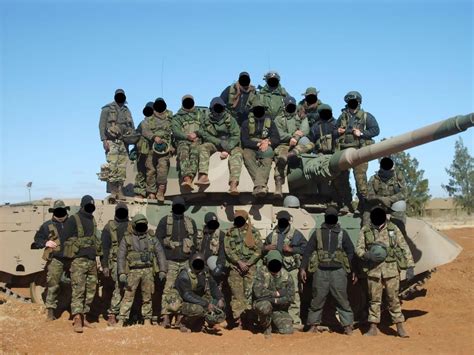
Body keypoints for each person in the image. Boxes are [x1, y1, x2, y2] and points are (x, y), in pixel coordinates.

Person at [355, 207, 415, 338]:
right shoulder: (366, 230)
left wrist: (410, 266)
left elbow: (404, 246)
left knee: (393, 298)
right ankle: (373, 327)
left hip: (391, 269)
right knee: (374, 299)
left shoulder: (393, 229)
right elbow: (358, 248)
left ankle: (399, 326)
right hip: (373, 270)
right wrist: (367, 255)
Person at [300, 207, 355, 335]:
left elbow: (351, 251)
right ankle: (313, 325)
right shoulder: (318, 233)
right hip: (320, 271)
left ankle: (347, 326)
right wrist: (303, 267)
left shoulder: (342, 233)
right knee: (317, 299)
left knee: (342, 299)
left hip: (338, 271)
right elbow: (308, 251)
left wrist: (353, 270)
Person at [116, 214, 167, 325]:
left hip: (148, 271)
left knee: (147, 296)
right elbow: (121, 256)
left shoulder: (151, 238)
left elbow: (160, 254)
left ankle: (147, 318)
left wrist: (163, 270)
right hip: (133, 271)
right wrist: (122, 272)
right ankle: (122, 318)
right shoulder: (127, 239)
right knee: (128, 296)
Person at [156, 197, 198, 327]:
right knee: (168, 289)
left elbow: (195, 244)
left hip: (186, 262)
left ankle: (181, 318)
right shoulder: (165, 221)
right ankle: (166, 317)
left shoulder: (190, 222)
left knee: (185, 291)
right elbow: (158, 242)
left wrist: (191, 262)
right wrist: (162, 262)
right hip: (171, 261)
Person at [336, 91, 380, 211]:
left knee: (360, 179)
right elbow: (334, 130)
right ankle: (347, 204)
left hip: (360, 151)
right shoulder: (342, 117)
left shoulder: (366, 116)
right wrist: (338, 131)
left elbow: (376, 130)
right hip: (344, 150)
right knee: (342, 179)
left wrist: (361, 133)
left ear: (359, 102)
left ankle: (363, 205)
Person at [62, 195, 100, 333]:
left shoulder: (92, 220)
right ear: (83, 205)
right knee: (78, 290)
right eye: (88, 206)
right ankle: (77, 318)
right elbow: (65, 239)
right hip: (78, 260)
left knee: (91, 290)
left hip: (91, 260)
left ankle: (84, 316)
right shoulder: (73, 219)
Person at [263, 210, 307, 326]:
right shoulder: (272, 235)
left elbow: (306, 249)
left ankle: (295, 321)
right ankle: (276, 320)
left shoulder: (296, 234)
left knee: (293, 294)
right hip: (275, 271)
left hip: (291, 269)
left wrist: (292, 250)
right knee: (274, 294)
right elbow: (262, 248)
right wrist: (266, 248)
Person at [310, 104, 353, 212]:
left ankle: (346, 204)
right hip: (321, 156)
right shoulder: (315, 127)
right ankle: (327, 201)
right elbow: (311, 141)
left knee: (342, 181)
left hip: (336, 155)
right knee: (323, 181)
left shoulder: (337, 123)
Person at [224, 210, 263, 328]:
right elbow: (227, 249)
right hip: (235, 267)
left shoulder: (254, 232)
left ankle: (249, 320)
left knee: (250, 294)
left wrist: (248, 263)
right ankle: (238, 321)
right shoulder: (230, 232)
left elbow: (259, 250)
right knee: (237, 295)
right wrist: (239, 262)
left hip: (250, 268)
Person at [32, 200, 70, 321]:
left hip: (71, 259)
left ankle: (76, 313)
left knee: (77, 285)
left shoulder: (72, 223)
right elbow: (37, 239)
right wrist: (45, 242)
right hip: (56, 259)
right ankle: (50, 311)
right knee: (52, 284)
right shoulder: (47, 225)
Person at [196, 97, 243, 195]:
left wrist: (227, 149)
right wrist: (218, 142)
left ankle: (233, 184)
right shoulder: (207, 120)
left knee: (237, 153)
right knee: (203, 147)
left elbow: (236, 135)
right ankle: (203, 176)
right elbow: (204, 134)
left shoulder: (230, 120)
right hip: (215, 144)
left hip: (231, 144)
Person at [99, 89, 136, 200]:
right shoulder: (107, 109)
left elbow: (131, 126)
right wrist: (104, 140)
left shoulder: (126, 110)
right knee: (112, 166)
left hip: (124, 142)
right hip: (111, 141)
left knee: (122, 167)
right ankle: (113, 191)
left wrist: (132, 137)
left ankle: (120, 190)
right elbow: (101, 125)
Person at [175, 253, 226, 333]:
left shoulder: (205, 272)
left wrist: (220, 298)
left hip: (198, 300)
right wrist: (206, 304)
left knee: (218, 304)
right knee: (199, 309)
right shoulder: (184, 275)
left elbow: (213, 286)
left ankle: (198, 324)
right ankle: (183, 323)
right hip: (183, 301)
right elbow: (187, 295)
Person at [241, 98, 280, 197]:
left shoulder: (270, 122)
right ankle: (261, 185)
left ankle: (259, 186)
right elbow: (244, 140)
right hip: (251, 146)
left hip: (266, 145)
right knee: (246, 155)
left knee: (268, 156)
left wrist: (268, 142)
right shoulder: (246, 123)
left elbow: (276, 138)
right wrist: (257, 144)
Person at [274, 96, 312, 197]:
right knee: (281, 158)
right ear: (284, 106)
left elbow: (305, 130)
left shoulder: (301, 116)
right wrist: (291, 137)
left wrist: (295, 138)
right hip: (284, 144)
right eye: (288, 106)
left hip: (298, 144)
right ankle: (279, 183)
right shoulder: (278, 119)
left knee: (310, 144)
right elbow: (279, 134)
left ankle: (292, 154)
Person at [253, 250, 295, 338]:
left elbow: (290, 298)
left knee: (287, 330)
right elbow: (258, 293)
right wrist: (277, 294)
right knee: (265, 306)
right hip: (264, 305)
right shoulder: (261, 272)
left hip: (279, 309)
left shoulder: (287, 276)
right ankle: (266, 327)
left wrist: (275, 300)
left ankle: (274, 323)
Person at [100, 203, 130, 326]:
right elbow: (104, 248)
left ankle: (127, 314)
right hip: (116, 263)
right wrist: (105, 265)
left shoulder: (131, 226)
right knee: (119, 287)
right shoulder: (109, 227)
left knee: (130, 289)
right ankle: (112, 315)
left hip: (130, 261)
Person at [141, 97, 173, 201]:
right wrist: (154, 137)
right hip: (151, 148)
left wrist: (173, 145)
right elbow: (144, 130)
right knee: (150, 171)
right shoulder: (149, 119)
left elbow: (175, 130)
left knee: (162, 169)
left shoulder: (170, 118)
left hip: (165, 149)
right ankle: (151, 193)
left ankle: (161, 191)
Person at [172, 95, 205, 191]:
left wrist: (197, 133)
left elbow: (206, 127)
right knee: (183, 152)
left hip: (197, 140)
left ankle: (190, 177)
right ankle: (186, 178)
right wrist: (187, 137)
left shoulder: (200, 115)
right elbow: (176, 131)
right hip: (183, 141)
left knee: (195, 152)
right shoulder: (177, 117)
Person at [365, 157, 407, 228]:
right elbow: (368, 196)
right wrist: (380, 199)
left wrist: (390, 199)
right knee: (366, 216)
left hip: (393, 205)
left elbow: (404, 193)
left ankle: (400, 231)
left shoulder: (398, 178)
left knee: (401, 204)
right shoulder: (374, 179)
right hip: (378, 205)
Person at [133, 102, 154, 199]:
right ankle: (140, 192)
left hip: (153, 151)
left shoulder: (157, 123)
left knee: (151, 172)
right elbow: (137, 135)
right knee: (141, 172)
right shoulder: (142, 123)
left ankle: (151, 192)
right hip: (141, 152)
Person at [195, 212, 226, 277]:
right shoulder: (199, 234)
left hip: (213, 266)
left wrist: (220, 265)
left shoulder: (221, 235)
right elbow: (193, 250)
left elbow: (222, 252)